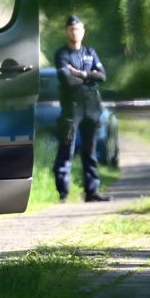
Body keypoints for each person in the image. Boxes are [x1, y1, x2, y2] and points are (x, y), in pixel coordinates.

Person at [52, 14, 109, 203]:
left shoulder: (90, 52)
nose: (74, 32)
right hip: (72, 108)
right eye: (71, 29)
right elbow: (67, 80)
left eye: (78, 29)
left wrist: (82, 74)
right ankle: (63, 193)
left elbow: (102, 76)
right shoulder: (62, 54)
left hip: (92, 107)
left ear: (83, 31)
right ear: (66, 31)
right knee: (66, 149)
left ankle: (92, 192)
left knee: (90, 152)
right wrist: (89, 77)